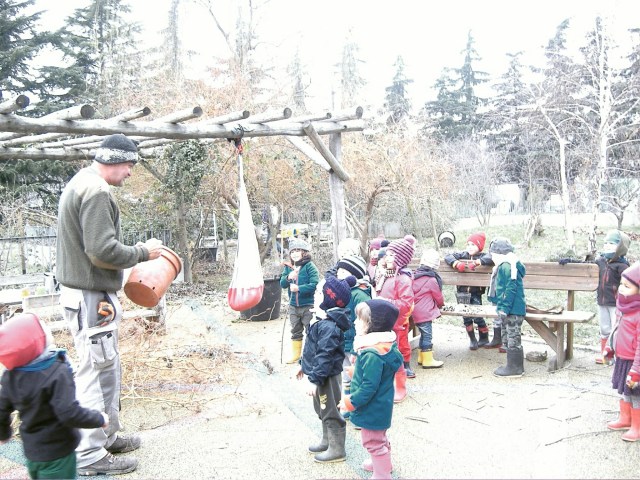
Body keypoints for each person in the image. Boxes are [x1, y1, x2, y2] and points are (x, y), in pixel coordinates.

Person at [56, 133, 164, 476]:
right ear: (114, 161)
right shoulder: (97, 191)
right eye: (129, 165)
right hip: (90, 297)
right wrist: (143, 253)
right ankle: (90, 455)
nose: (130, 172)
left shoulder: (81, 182)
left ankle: (106, 436)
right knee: (94, 371)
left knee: (106, 367)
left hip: (86, 294)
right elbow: (102, 251)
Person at [0, 314, 109, 480]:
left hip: (32, 453)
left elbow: (1, 409)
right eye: (42, 328)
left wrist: (3, 434)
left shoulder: (11, 376)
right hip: (58, 453)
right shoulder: (57, 372)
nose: (46, 328)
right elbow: (69, 412)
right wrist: (98, 419)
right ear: (35, 342)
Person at [339, 299, 403, 479]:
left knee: (373, 442)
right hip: (382, 404)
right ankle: (382, 463)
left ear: (372, 325)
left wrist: (349, 402)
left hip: (372, 406)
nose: (355, 322)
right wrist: (357, 371)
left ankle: (382, 474)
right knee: (379, 437)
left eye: (360, 320)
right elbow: (377, 374)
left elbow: (368, 387)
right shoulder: (382, 346)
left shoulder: (372, 354)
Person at [296, 275, 356, 463]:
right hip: (319, 373)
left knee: (330, 409)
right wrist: (302, 365)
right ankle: (327, 440)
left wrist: (314, 380)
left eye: (319, 293)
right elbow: (312, 348)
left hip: (327, 377)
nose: (315, 295)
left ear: (328, 299)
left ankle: (337, 449)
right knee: (321, 408)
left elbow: (324, 355)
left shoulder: (329, 326)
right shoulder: (320, 319)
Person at [560, 229, 630, 364]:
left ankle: (618, 357)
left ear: (621, 247)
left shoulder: (622, 266)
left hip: (616, 304)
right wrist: (571, 261)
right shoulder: (601, 261)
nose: (608, 246)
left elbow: (631, 283)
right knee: (604, 329)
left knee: (616, 330)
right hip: (602, 302)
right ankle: (606, 356)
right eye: (606, 243)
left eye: (612, 243)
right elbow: (587, 266)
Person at [376, 235, 415, 401]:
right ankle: (386, 386)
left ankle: (400, 387)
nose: (388, 258)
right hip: (383, 322)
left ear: (401, 258)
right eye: (387, 254)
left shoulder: (403, 278)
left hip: (396, 323)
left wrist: (385, 302)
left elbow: (406, 303)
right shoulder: (386, 275)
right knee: (383, 354)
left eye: (392, 255)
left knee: (395, 357)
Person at [604, 262, 640, 441]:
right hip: (623, 358)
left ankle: (637, 426)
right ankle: (625, 419)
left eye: (627, 286)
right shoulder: (623, 307)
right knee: (625, 391)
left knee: (635, 395)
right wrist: (609, 347)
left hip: (635, 362)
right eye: (621, 284)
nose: (621, 289)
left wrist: (636, 370)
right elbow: (615, 329)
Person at [335, 254, 373, 419]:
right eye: (339, 270)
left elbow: (366, 322)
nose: (339, 274)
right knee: (346, 375)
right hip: (343, 340)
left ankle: (358, 407)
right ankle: (348, 405)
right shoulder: (342, 292)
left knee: (357, 375)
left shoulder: (359, 295)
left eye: (343, 271)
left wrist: (359, 344)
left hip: (355, 342)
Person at [444, 232, 495, 350]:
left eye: (473, 244)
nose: (470, 247)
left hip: (476, 292)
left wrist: (477, 262)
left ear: (480, 246)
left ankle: (484, 337)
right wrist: (456, 263)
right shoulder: (462, 255)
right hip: (462, 292)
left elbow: (491, 257)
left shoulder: (483, 256)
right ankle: (472, 339)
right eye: (468, 244)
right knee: (466, 316)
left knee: (478, 315)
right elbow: (448, 256)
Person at [487, 237, 527, 377]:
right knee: (510, 336)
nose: (491, 258)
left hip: (513, 310)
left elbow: (510, 289)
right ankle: (512, 365)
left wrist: (504, 308)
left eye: (492, 254)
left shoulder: (507, 266)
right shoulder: (506, 264)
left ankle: (515, 368)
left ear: (499, 254)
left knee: (513, 337)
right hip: (509, 308)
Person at [280, 237, 320, 364]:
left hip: (308, 305)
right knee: (295, 330)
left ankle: (311, 356)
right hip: (293, 306)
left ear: (304, 252)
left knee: (310, 330)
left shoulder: (310, 267)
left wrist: (299, 288)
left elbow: (315, 284)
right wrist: (288, 277)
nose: (295, 254)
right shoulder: (288, 267)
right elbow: (282, 284)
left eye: (298, 250)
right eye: (292, 251)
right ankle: (296, 355)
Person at [412, 249, 445, 368]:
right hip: (425, 313)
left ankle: (421, 357)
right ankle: (428, 360)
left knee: (422, 334)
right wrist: (440, 305)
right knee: (427, 336)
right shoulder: (431, 279)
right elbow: (438, 296)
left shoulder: (413, 276)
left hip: (413, 311)